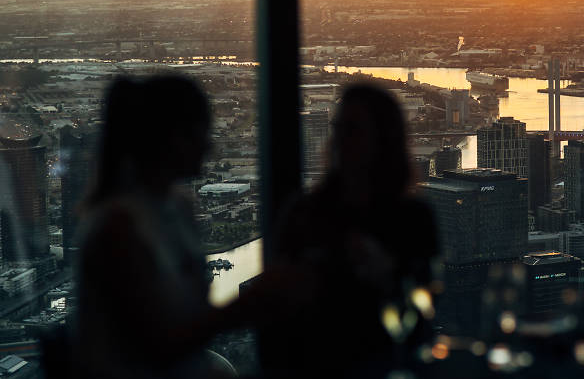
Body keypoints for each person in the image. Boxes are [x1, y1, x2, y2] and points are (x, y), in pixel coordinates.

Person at [71, 75, 287, 378]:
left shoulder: (180, 207)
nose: (209, 145)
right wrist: (248, 306)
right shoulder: (116, 228)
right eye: (201, 132)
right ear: (170, 138)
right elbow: (155, 343)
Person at [259, 83, 439, 377]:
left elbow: (424, 312)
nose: (340, 139)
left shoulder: (414, 219)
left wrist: (387, 275)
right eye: (338, 127)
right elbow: (275, 311)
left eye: (353, 129)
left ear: (383, 139)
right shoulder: (304, 214)